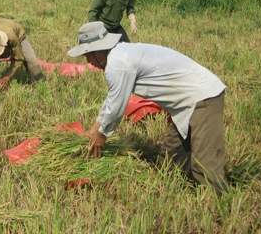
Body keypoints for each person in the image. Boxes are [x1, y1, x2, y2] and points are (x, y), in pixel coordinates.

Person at [68, 21, 228, 195]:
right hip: (183, 105)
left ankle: (219, 208)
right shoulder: (121, 54)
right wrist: (94, 128)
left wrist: (102, 134)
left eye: (88, 56)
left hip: (201, 97)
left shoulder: (117, 63)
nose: (89, 62)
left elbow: (116, 107)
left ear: (98, 50)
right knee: (172, 161)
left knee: (205, 165)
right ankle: (182, 196)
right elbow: (113, 98)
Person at [0, 18, 45, 89]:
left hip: (17, 36)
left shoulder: (11, 37)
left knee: (32, 61)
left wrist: (6, 78)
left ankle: (41, 83)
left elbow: (18, 59)